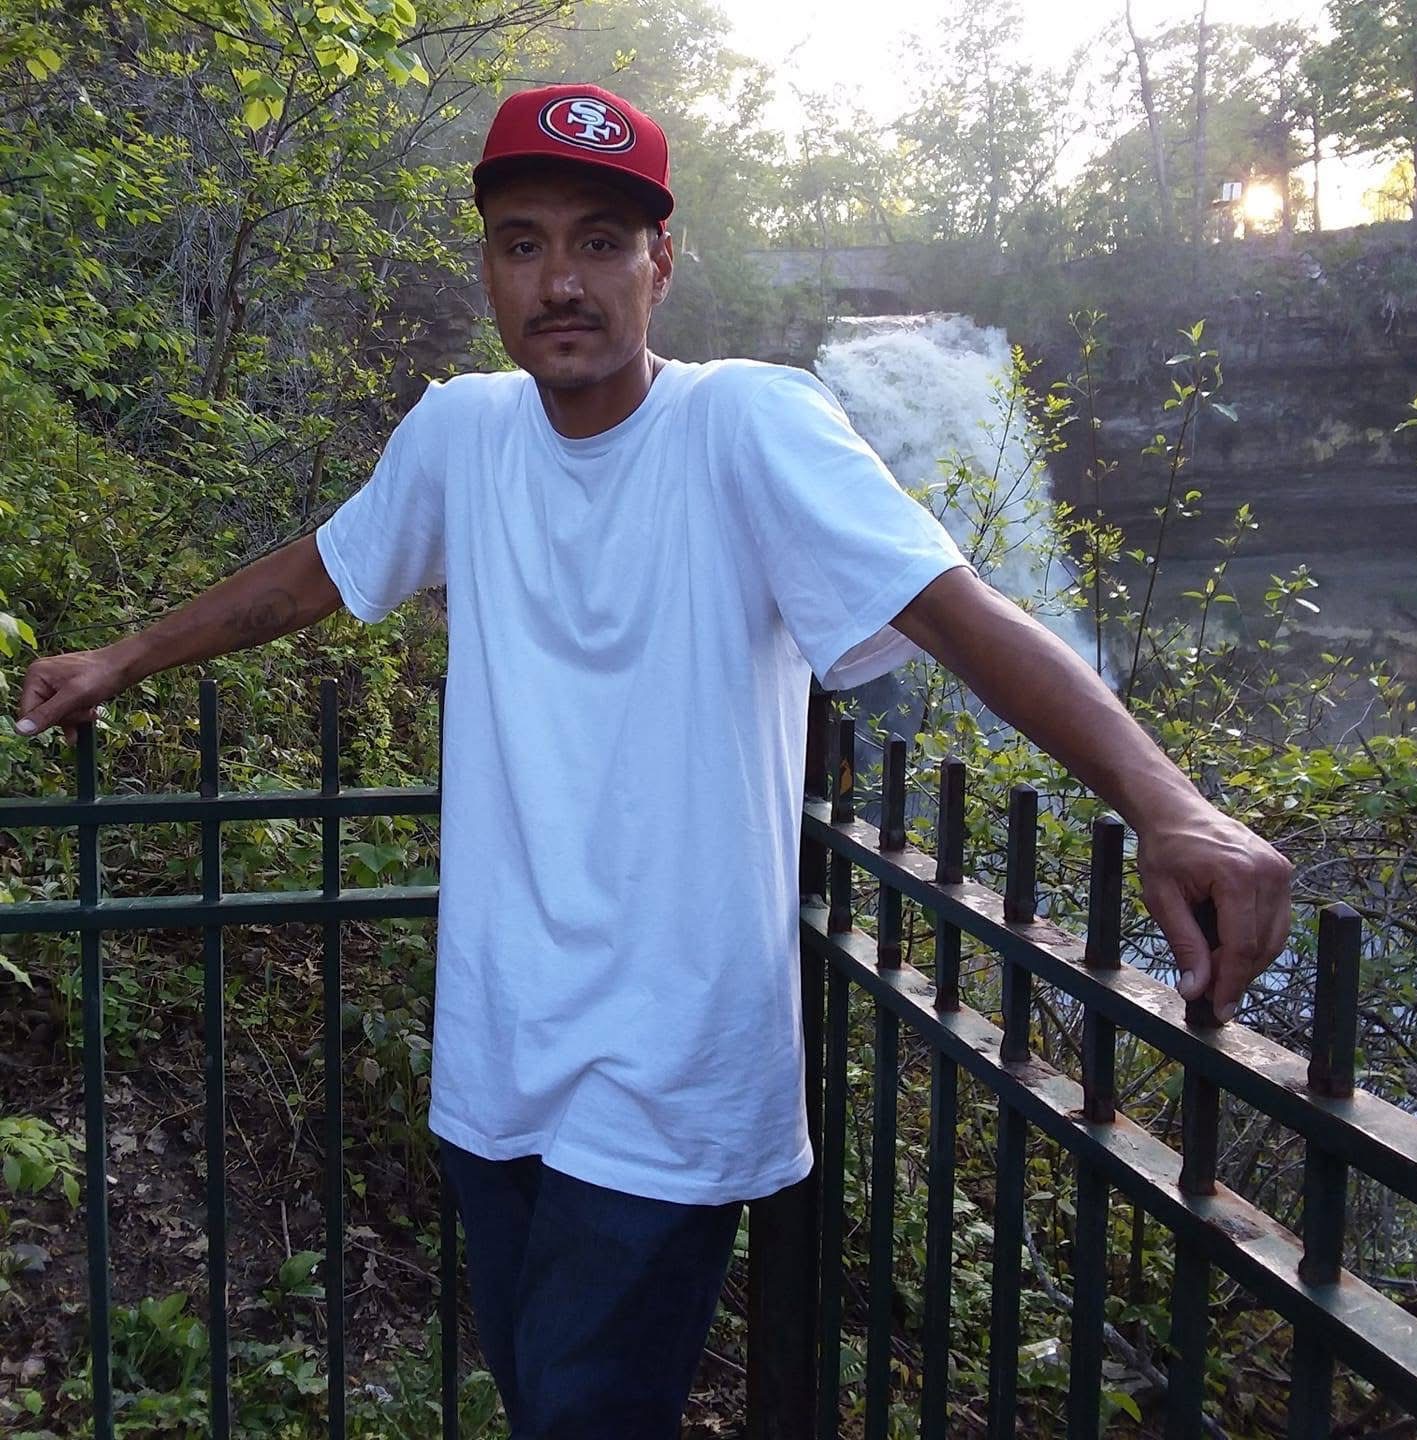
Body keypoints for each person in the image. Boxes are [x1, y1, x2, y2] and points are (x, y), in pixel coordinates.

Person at [15, 83, 1292, 1439]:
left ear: (661, 262)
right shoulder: (460, 434)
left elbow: (952, 609)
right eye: (523, 243)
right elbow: (319, 571)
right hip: (499, 1043)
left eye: (601, 240)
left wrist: (1170, 805)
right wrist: (123, 659)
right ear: (488, 267)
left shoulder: (748, 425)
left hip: (673, 1056)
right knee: (540, 1392)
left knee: (584, 1411)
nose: (559, 280)